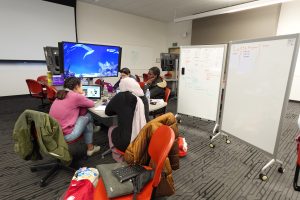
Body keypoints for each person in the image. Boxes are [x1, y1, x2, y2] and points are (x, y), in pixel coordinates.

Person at [49, 77, 100, 156]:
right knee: (88, 116)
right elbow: (91, 105)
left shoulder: (61, 94)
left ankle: (91, 145)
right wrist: (82, 96)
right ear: (77, 86)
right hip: (67, 135)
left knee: (86, 119)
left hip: (53, 133)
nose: (82, 87)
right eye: (81, 85)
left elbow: (81, 112)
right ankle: (91, 146)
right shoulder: (76, 96)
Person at [105, 77, 147, 158]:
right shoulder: (143, 97)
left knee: (111, 129)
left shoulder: (120, 96)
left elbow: (108, 112)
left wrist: (118, 109)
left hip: (126, 143)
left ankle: (117, 156)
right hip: (144, 139)